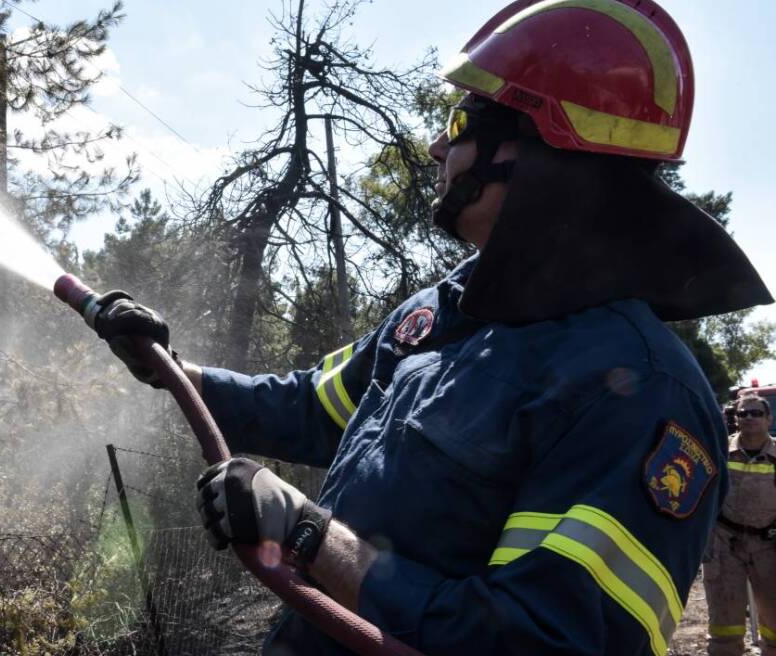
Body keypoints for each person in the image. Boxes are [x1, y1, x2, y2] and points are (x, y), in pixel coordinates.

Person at [95, 0, 772, 653]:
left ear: (538, 150)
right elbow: (309, 406)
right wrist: (170, 368)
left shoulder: (640, 394)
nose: (432, 147)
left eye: (457, 124)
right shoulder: (444, 312)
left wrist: (307, 536)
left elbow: (546, 641)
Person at [704, 395, 776, 656]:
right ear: (735, 419)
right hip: (725, 546)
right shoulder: (718, 452)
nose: (748, 418)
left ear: (769, 419)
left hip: (769, 547)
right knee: (725, 628)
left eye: (756, 413)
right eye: (742, 413)